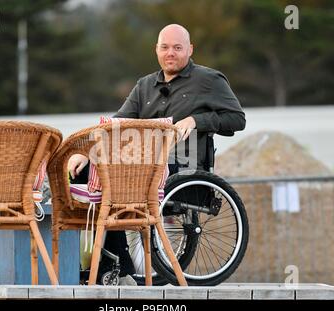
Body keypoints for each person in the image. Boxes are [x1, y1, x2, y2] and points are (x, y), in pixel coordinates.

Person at [69, 24, 245, 285]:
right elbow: (117, 124)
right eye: (165, 47)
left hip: (183, 167)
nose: (170, 53)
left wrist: (197, 120)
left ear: (190, 49)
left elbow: (237, 119)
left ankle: (114, 265)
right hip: (139, 168)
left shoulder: (209, 80)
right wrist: (86, 153)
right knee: (82, 173)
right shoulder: (145, 86)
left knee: (118, 179)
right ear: (157, 50)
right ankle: (111, 264)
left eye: (177, 47)